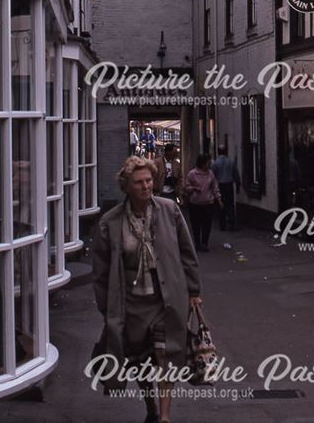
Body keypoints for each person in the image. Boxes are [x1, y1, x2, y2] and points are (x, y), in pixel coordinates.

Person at [92, 156, 202, 423]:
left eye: (149, 180)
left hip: (166, 299)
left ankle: (164, 416)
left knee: (165, 353)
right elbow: (101, 272)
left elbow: (187, 253)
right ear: (126, 186)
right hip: (130, 302)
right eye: (139, 182)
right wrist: (107, 308)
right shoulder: (111, 221)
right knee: (140, 361)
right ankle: (150, 407)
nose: (146, 186)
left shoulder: (169, 210)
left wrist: (194, 291)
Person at [185, 154, 221, 252]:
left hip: (208, 203)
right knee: (196, 225)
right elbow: (187, 187)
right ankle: (197, 243)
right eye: (208, 162)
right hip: (195, 204)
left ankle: (205, 243)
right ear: (202, 163)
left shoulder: (210, 174)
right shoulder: (192, 174)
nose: (209, 164)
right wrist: (193, 188)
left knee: (207, 224)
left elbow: (215, 187)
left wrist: (219, 199)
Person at [211, 146, 241, 231]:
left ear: (218, 152)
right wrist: (238, 185)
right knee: (230, 204)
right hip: (229, 185)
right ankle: (231, 222)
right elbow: (236, 174)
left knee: (221, 205)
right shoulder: (231, 162)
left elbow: (212, 176)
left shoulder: (215, 163)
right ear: (226, 151)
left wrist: (212, 188)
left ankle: (222, 224)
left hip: (220, 185)